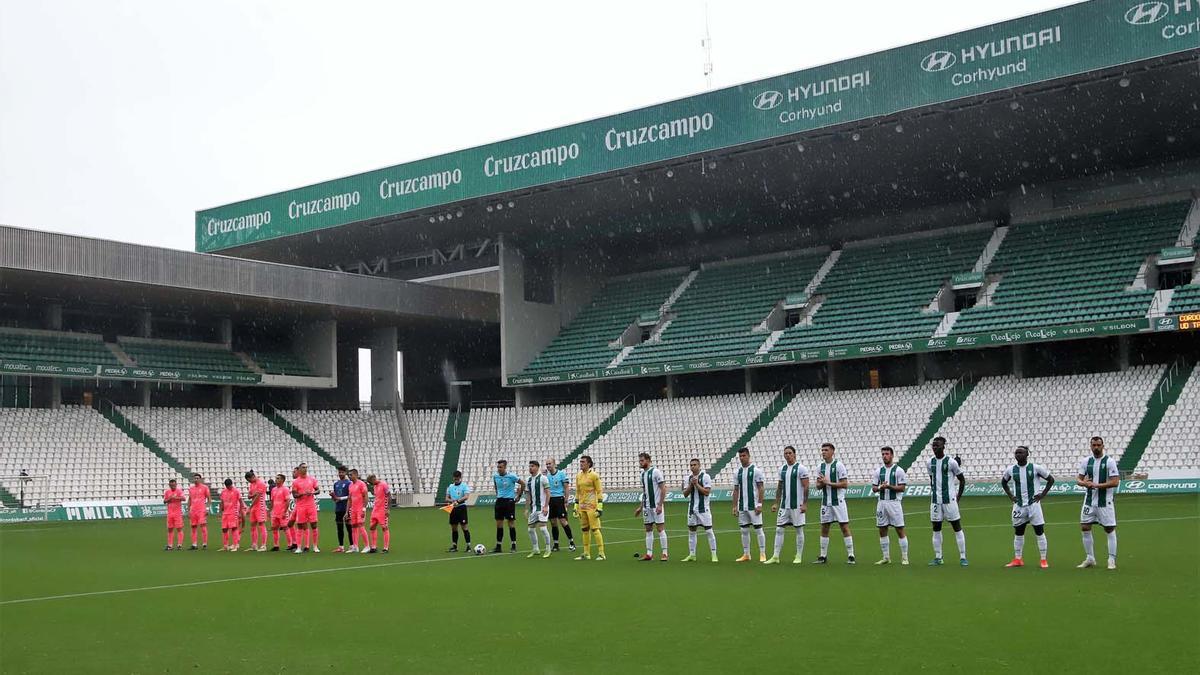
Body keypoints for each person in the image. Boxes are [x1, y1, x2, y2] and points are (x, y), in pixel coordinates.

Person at [1000, 445, 1054, 568]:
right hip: (1018, 506)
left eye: (1021, 453)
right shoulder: (1010, 470)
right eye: (1016, 453)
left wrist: (1043, 494)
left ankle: (1043, 559)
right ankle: (1018, 559)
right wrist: (1011, 496)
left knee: (1039, 531)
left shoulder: (1035, 468)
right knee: (1018, 532)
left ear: (1027, 454)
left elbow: (1051, 479)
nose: (1018, 455)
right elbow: (1003, 482)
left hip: (1033, 505)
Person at [1076, 436, 1119, 570]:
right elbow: (1079, 479)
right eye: (1093, 445)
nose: (1096, 447)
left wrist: (1097, 485)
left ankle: (1111, 559)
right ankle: (1090, 558)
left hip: (1104, 502)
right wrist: (1084, 483)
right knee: (1085, 527)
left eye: (1098, 445)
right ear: (1091, 446)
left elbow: (1115, 481)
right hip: (1089, 501)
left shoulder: (1109, 462)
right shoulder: (1086, 461)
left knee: (1109, 529)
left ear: (1103, 446)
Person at [928, 436, 968, 566]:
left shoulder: (951, 462)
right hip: (935, 501)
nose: (935, 448)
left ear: (943, 446)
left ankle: (963, 557)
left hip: (949, 500)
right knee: (936, 528)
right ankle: (938, 557)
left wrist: (958, 497)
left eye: (937, 445)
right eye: (933, 445)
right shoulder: (930, 463)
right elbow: (932, 479)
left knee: (956, 527)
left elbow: (962, 480)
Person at [767, 445, 809, 565]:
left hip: (797, 505)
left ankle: (799, 555)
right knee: (779, 529)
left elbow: (806, 486)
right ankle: (775, 556)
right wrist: (776, 502)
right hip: (784, 506)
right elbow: (780, 486)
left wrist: (805, 504)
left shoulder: (801, 468)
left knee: (799, 530)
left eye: (790, 453)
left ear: (794, 454)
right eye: (786, 453)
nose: (788, 455)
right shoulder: (782, 469)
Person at [814, 443, 855, 565]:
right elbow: (817, 486)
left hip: (838, 502)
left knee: (844, 527)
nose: (823, 452)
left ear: (832, 452)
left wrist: (828, 482)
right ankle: (823, 556)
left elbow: (844, 484)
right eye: (822, 450)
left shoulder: (839, 466)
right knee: (824, 528)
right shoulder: (820, 467)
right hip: (826, 502)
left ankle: (851, 555)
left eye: (826, 450)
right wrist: (821, 483)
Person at [871, 446, 909, 565]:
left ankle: (904, 557)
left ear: (892, 455)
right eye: (883, 454)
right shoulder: (878, 471)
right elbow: (873, 488)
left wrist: (889, 486)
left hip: (894, 504)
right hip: (881, 503)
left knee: (899, 529)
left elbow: (902, 488)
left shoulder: (898, 470)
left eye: (887, 454)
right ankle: (886, 557)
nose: (884, 456)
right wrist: (880, 487)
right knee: (882, 530)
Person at [731, 447, 767, 563]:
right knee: (744, 530)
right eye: (740, 456)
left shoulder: (756, 470)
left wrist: (760, 504)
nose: (742, 458)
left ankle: (762, 553)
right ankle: (746, 554)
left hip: (754, 505)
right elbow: (736, 490)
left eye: (744, 456)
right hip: (742, 506)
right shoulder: (737, 472)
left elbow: (761, 488)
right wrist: (735, 506)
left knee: (758, 529)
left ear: (748, 456)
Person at [681, 458, 718, 562]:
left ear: (699, 465)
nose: (693, 467)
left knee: (709, 531)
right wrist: (691, 485)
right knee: (691, 531)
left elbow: (707, 492)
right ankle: (692, 555)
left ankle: (714, 555)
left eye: (695, 465)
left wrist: (697, 484)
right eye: (691, 465)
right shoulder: (688, 478)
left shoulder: (705, 476)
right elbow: (685, 494)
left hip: (703, 509)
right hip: (692, 509)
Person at [633, 452, 668, 561]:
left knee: (660, 528)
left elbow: (663, 489)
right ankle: (649, 554)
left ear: (648, 460)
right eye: (640, 460)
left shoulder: (656, 472)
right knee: (648, 529)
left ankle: (665, 553)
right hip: (647, 506)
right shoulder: (642, 474)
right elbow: (645, 492)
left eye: (642, 460)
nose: (640, 462)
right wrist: (640, 506)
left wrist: (660, 505)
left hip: (656, 506)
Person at [573, 455, 606, 561]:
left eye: (583, 462)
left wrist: (600, 507)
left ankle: (601, 553)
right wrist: (576, 506)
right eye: (580, 462)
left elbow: (599, 491)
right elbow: (578, 492)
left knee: (595, 529)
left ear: (589, 463)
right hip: (582, 506)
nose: (581, 464)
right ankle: (586, 553)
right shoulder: (578, 475)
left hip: (592, 506)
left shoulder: (594, 475)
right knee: (584, 530)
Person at [544, 458, 575, 552]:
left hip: (559, 499)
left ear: (554, 464)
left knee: (563, 521)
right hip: (550, 500)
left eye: (549, 463)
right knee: (553, 522)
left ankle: (571, 542)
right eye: (547, 464)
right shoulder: (546, 476)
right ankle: (556, 544)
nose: (548, 465)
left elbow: (566, 488)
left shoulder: (561, 474)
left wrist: (566, 500)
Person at [492, 460, 521, 553]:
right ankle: (498, 546)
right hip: (499, 501)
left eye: (500, 467)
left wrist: (518, 496)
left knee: (511, 524)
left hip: (509, 502)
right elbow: (496, 486)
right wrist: (498, 494)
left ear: (505, 467)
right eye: (498, 467)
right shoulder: (495, 476)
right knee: (499, 524)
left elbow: (522, 484)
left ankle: (513, 545)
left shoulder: (511, 476)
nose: (499, 469)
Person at [524, 461, 552, 558]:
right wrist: (527, 509)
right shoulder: (528, 480)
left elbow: (548, 493)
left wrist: (545, 506)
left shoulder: (543, 478)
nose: (530, 468)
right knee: (530, 530)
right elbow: (528, 495)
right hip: (533, 509)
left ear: (537, 467)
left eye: (532, 466)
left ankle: (548, 549)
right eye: (529, 466)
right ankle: (535, 549)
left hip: (542, 507)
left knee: (543, 528)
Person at [291, 463, 320, 554]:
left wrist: (312, 493)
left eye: (306, 467)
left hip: (311, 505)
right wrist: (302, 494)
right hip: (301, 506)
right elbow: (294, 494)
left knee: (314, 525)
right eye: (303, 467)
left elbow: (318, 490)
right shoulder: (296, 482)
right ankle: (299, 547)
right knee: (300, 526)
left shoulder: (312, 479)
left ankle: (315, 546)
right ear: (299, 469)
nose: (305, 469)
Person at [445, 470, 472, 552]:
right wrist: (452, 501)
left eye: (457, 478)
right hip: (453, 508)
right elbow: (446, 498)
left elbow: (466, 496)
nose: (456, 480)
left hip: (461, 508)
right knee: (454, 528)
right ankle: (454, 546)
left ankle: (468, 546)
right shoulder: (450, 486)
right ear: (453, 478)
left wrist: (458, 501)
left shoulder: (464, 486)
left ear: (460, 478)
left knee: (464, 527)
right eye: (455, 478)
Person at [366, 474, 392, 553]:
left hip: (382, 510)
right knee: (372, 527)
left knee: (384, 528)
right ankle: (373, 547)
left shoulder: (383, 484)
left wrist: (388, 509)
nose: (371, 484)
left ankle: (386, 548)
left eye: (371, 482)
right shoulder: (375, 486)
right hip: (375, 509)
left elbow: (389, 496)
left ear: (374, 479)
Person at [347, 469, 370, 553]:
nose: (349, 476)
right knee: (353, 527)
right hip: (353, 509)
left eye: (351, 475)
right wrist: (347, 512)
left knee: (361, 526)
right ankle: (355, 546)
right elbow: (349, 499)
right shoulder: (350, 485)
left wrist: (364, 509)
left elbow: (366, 497)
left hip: (360, 509)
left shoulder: (361, 484)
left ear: (356, 475)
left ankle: (367, 546)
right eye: (349, 475)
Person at [244, 470, 268, 552]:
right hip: (254, 507)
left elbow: (257, 497)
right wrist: (253, 495)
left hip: (260, 506)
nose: (249, 482)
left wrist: (250, 507)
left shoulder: (260, 483)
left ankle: (264, 545)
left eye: (249, 480)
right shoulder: (251, 484)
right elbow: (249, 496)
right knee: (252, 526)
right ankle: (254, 545)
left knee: (261, 525)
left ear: (252, 477)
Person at [329, 466, 351, 553]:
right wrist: (333, 497)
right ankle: (341, 547)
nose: (340, 474)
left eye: (342, 472)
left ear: (345, 473)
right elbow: (336, 499)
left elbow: (350, 496)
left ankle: (352, 545)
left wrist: (339, 498)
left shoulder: (349, 483)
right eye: (339, 472)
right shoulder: (336, 484)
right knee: (339, 528)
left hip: (347, 508)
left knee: (349, 527)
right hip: (338, 509)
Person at [186, 473, 210, 550]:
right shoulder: (191, 488)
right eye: (195, 478)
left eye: (197, 478)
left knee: (203, 526)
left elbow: (209, 499)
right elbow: (190, 499)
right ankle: (194, 544)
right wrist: (188, 510)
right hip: (193, 510)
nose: (196, 479)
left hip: (201, 510)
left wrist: (207, 509)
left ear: (200, 479)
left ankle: (204, 544)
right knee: (193, 527)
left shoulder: (204, 487)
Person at [219, 478, 244, 552]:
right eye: (227, 486)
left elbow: (241, 502)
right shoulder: (223, 492)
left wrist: (240, 512)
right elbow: (222, 502)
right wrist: (220, 512)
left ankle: (235, 545)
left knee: (234, 528)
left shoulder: (236, 491)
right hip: (225, 513)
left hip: (233, 512)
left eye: (229, 486)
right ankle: (225, 546)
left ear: (231, 484)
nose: (228, 487)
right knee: (224, 529)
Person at [269, 473, 292, 551]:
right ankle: (276, 546)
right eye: (276, 478)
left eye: (278, 478)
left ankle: (290, 545)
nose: (276, 479)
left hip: (282, 512)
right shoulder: (273, 489)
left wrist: (285, 512)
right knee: (274, 528)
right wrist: (270, 510)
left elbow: (288, 501)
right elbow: (272, 501)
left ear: (282, 480)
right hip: (275, 512)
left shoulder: (285, 489)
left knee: (285, 528)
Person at [163, 478, 185, 551]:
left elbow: (183, 498)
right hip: (170, 513)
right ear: (169, 485)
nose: (173, 486)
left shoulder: (179, 491)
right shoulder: (167, 492)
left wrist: (175, 497)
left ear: (176, 484)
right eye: (171, 485)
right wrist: (169, 498)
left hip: (177, 513)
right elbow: (165, 501)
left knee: (179, 529)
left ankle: (179, 544)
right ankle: (170, 545)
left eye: (174, 485)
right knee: (170, 529)